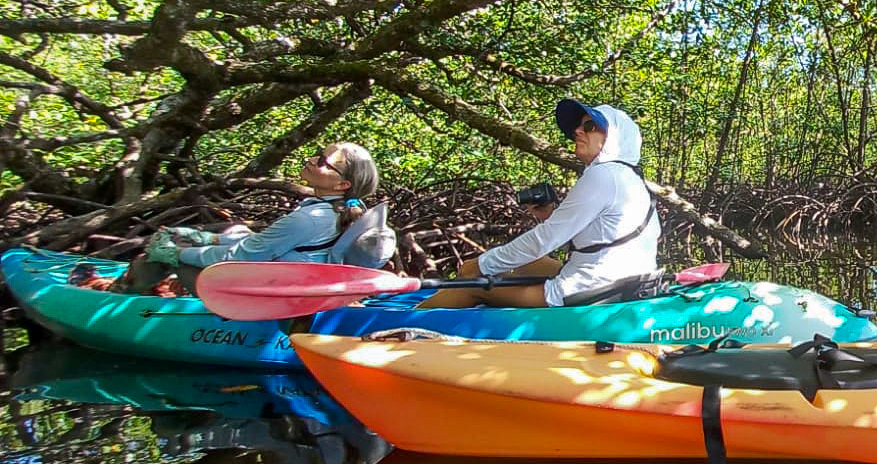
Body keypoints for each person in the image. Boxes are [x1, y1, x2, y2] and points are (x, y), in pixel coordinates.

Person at [419, 99, 659, 308]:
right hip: (621, 281)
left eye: (589, 126)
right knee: (529, 264)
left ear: (614, 138)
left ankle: (401, 323)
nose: (578, 131)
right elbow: (601, 239)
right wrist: (550, 215)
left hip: (592, 287)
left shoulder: (604, 175)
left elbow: (544, 240)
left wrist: (481, 265)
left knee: (472, 285)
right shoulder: (629, 178)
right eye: (579, 126)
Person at [109, 142, 381, 294]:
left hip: (271, 295)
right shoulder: (336, 209)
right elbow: (261, 246)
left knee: (165, 253)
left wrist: (175, 254)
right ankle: (153, 288)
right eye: (319, 154)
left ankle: (119, 298)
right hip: (290, 284)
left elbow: (236, 259)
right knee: (235, 229)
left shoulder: (309, 219)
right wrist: (208, 238)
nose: (312, 160)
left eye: (324, 162)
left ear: (342, 185)